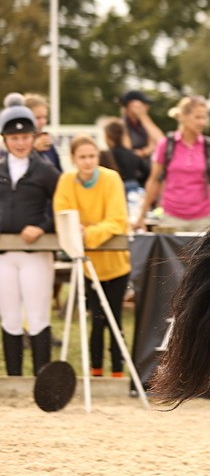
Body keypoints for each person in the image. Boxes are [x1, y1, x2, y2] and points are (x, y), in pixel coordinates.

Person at [53, 135, 131, 378]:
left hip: (116, 264)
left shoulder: (110, 178)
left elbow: (118, 220)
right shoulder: (66, 180)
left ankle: (118, 371)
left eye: (92, 156)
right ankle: (95, 372)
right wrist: (79, 231)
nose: (88, 162)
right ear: (73, 159)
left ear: (98, 156)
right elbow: (63, 215)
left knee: (115, 320)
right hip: (87, 266)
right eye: (82, 157)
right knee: (96, 321)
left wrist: (87, 233)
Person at [0, 94, 58, 376]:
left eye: (25, 136)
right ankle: (13, 379)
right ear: (5, 139)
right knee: (9, 317)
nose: (20, 142)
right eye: (13, 137)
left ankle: (41, 378)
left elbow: (62, 206)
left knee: (37, 316)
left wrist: (43, 227)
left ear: (33, 137)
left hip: (35, 252)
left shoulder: (46, 171)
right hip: (3, 253)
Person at [135, 96, 210, 232]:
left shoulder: (209, 147)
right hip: (171, 217)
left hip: (204, 218)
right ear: (183, 116)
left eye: (204, 118)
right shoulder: (166, 145)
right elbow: (153, 181)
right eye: (197, 117)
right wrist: (141, 216)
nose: (202, 122)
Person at [104, 119, 149, 193]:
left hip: (114, 191)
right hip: (134, 194)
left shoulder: (107, 156)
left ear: (108, 136)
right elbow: (147, 173)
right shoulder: (133, 155)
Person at [119, 90, 164, 161]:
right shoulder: (121, 125)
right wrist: (146, 151)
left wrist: (143, 116)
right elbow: (128, 151)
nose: (147, 107)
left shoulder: (144, 122)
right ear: (131, 105)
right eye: (144, 104)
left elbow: (161, 141)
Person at [23, 94, 61, 171]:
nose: (43, 122)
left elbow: (59, 174)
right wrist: (32, 150)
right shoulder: (9, 144)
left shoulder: (47, 143)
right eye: (37, 118)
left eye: (45, 117)